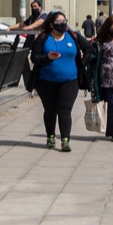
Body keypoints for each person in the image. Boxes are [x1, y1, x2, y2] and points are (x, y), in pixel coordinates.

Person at [28, 10, 86, 152]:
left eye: (64, 21)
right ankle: (51, 136)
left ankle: (65, 140)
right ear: (52, 24)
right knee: (50, 110)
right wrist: (48, 58)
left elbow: (89, 49)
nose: (62, 24)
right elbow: (34, 58)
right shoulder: (43, 38)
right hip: (45, 82)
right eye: (59, 22)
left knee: (65, 110)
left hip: (69, 81)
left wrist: (81, 63)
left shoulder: (73, 36)